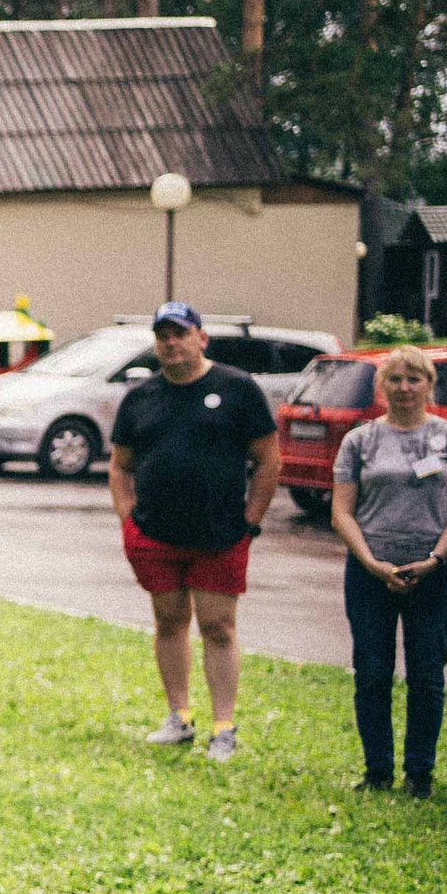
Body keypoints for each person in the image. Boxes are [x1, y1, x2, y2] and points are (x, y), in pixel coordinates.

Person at [108, 300, 280, 763]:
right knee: (169, 622)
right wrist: (128, 521)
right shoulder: (141, 397)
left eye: (180, 333)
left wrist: (251, 522)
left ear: (201, 338)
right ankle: (178, 716)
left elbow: (267, 459)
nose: (171, 343)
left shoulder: (237, 388)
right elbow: (120, 466)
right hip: (155, 535)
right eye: (163, 335)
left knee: (218, 627)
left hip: (221, 534)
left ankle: (224, 726)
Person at [330, 346, 447, 797]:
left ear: (430, 386)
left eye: (415, 379)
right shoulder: (360, 440)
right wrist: (371, 562)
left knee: (427, 675)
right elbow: (342, 512)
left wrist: (436, 558)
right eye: (395, 379)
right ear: (381, 387)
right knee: (372, 673)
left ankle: (419, 774)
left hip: (433, 573)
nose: (404, 388)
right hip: (370, 573)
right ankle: (377, 772)